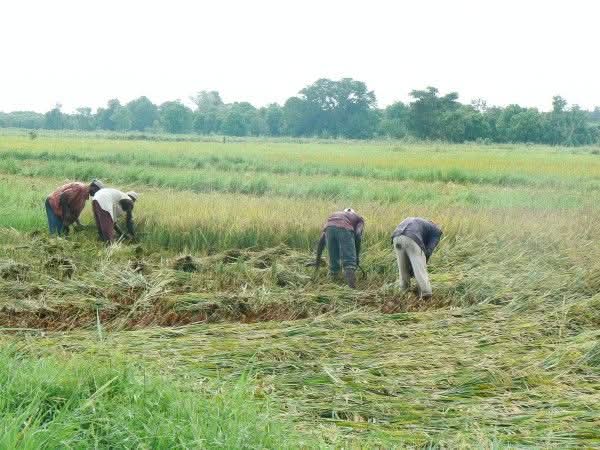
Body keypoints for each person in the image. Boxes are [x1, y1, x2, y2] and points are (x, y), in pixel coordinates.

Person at [391, 217, 442, 299]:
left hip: (396, 237)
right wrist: (423, 263)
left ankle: (403, 292)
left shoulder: (422, 223)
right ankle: (426, 293)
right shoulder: (436, 231)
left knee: (403, 268)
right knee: (420, 269)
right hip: (411, 237)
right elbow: (428, 251)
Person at [313, 208, 364, 288]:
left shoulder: (334, 216)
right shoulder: (359, 219)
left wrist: (317, 263)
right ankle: (352, 290)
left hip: (329, 228)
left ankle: (333, 287)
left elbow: (321, 243)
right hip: (344, 228)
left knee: (333, 263)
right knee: (349, 262)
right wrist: (356, 257)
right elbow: (358, 235)